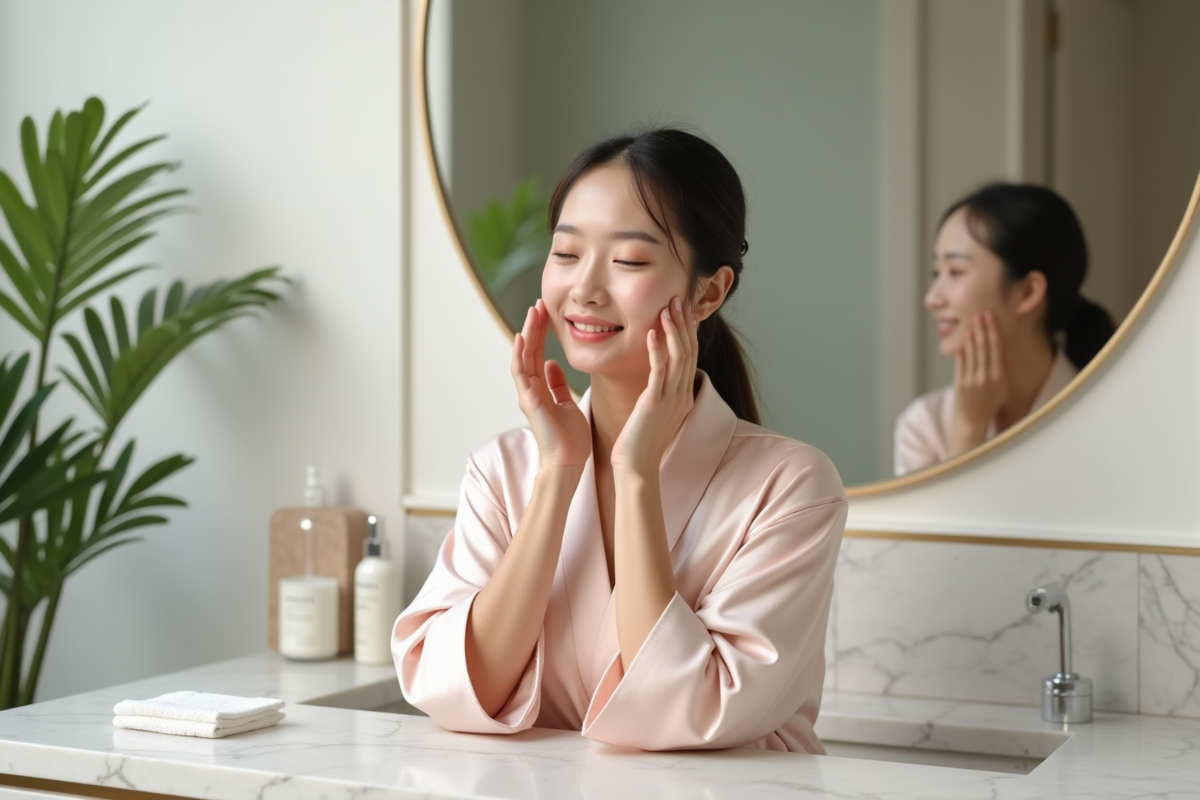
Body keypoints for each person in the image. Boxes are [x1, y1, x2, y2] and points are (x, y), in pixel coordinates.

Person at [393, 129, 847, 753]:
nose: (584, 289)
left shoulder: (790, 485)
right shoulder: (505, 470)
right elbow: (457, 688)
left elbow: (692, 711)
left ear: (709, 292)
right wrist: (558, 470)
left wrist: (635, 477)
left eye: (629, 261)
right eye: (566, 254)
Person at [894, 182, 1116, 476]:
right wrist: (968, 429)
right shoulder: (924, 425)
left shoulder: (1108, 419)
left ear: (1027, 292)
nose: (932, 298)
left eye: (955, 272)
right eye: (937, 273)